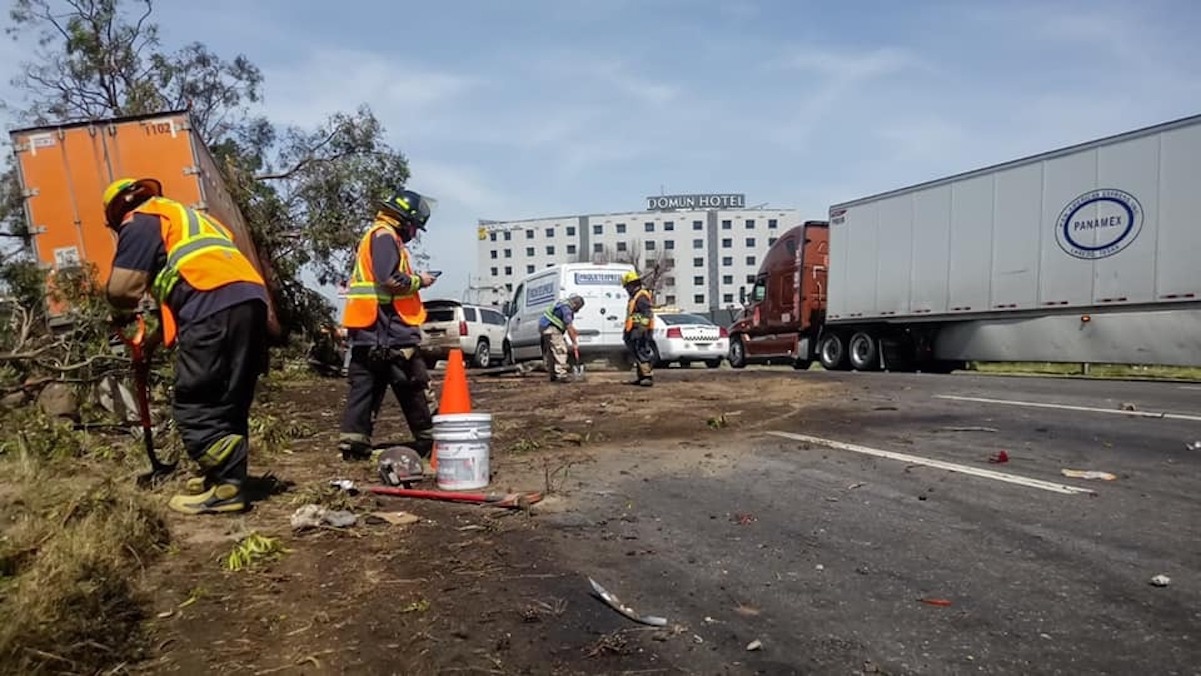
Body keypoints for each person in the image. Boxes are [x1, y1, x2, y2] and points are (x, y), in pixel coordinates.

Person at [102, 177, 269, 515]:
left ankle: (228, 489)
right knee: (229, 397)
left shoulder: (140, 219)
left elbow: (123, 290)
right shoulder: (189, 218)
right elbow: (192, 273)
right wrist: (150, 342)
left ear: (118, 212)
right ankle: (224, 479)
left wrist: (117, 311)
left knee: (196, 400)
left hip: (211, 303)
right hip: (250, 301)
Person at [337, 189, 439, 462]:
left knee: (364, 387)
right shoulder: (385, 237)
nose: (414, 234)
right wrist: (420, 280)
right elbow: (388, 279)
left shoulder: (375, 234)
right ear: (405, 220)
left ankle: (354, 445)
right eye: (414, 227)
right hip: (388, 328)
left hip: (367, 328)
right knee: (414, 383)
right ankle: (432, 440)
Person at [539, 293, 585, 382]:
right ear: (575, 304)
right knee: (561, 350)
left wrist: (573, 329)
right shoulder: (567, 309)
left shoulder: (563, 303)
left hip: (544, 327)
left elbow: (566, 323)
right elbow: (568, 327)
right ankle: (561, 375)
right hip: (551, 328)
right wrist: (574, 343)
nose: (577, 311)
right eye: (578, 308)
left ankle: (553, 375)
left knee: (552, 353)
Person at [622, 271, 655, 387]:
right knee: (636, 352)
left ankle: (647, 376)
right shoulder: (635, 296)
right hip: (634, 329)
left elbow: (647, 313)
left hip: (641, 330)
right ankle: (641, 376)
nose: (626, 289)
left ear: (631, 285)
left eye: (627, 286)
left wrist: (642, 328)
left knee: (642, 351)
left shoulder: (641, 296)